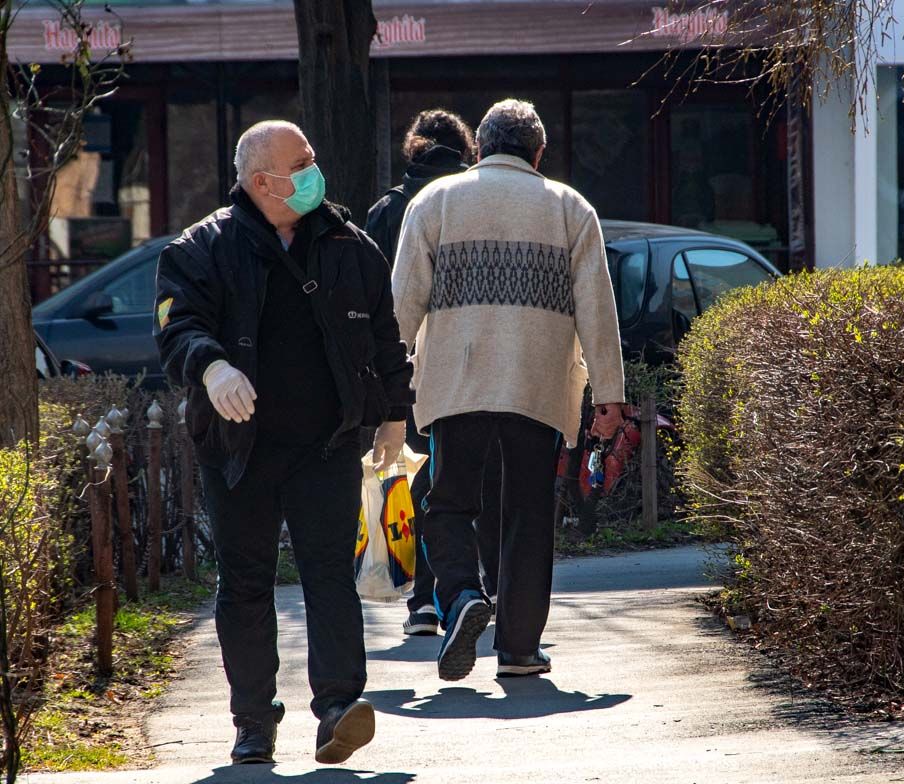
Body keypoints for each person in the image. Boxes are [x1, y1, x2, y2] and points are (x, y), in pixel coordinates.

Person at [154, 120, 413, 766]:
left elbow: (385, 337)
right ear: (262, 182)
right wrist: (211, 366)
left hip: (325, 446)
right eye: (300, 163)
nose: (313, 168)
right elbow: (176, 323)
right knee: (244, 581)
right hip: (237, 451)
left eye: (312, 158)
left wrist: (393, 416)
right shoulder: (202, 248)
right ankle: (253, 721)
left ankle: (337, 708)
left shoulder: (350, 246)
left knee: (329, 574)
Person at [391, 99, 625, 682]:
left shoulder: (433, 202)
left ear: (480, 150)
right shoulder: (571, 209)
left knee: (446, 503)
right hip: (537, 386)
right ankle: (520, 648)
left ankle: (464, 594)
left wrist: (387, 387)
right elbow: (598, 311)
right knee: (527, 511)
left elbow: (401, 306)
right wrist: (610, 396)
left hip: (454, 385)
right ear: (539, 153)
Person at [365, 109, 501, 638]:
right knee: (465, 481)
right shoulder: (471, 201)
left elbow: (377, 290)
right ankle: (468, 589)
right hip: (466, 362)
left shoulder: (387, 210)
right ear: (466, 150)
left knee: (415, 477)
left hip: (405, 364)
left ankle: (423, 600)